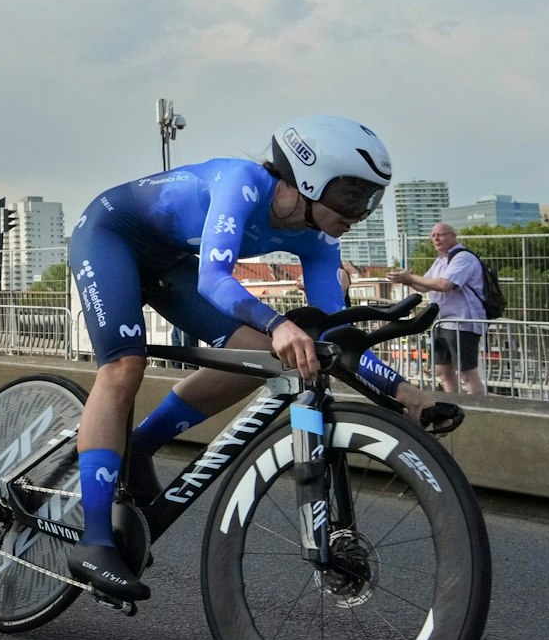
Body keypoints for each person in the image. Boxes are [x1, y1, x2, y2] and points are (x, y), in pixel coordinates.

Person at [61, 115, 447, 605]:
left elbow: (331, 336)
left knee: (265, 357)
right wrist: (278, 322)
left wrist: (404, 394)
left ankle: (138, 447)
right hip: (110, 234)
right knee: (124, 366)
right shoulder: (241, 184)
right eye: (353, 195)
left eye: (372, 198)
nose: (362, 211)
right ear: (309, 177)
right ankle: (94, 539)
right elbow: (213, 280)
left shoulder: (319, 238)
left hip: (167, 260)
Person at [388, 223, 487, 396]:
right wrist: (408, 280)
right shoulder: (441, 260)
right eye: (433, 236)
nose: (436, 239)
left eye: (440, 234)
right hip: (442, 323)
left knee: (467, 373)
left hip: (461, 323)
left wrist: (411, 276)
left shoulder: (463, 258)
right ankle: (453, 404)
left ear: (453, 236)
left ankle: (479, 409)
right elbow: (426, 286)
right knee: (442, 370)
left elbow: (444, 284)